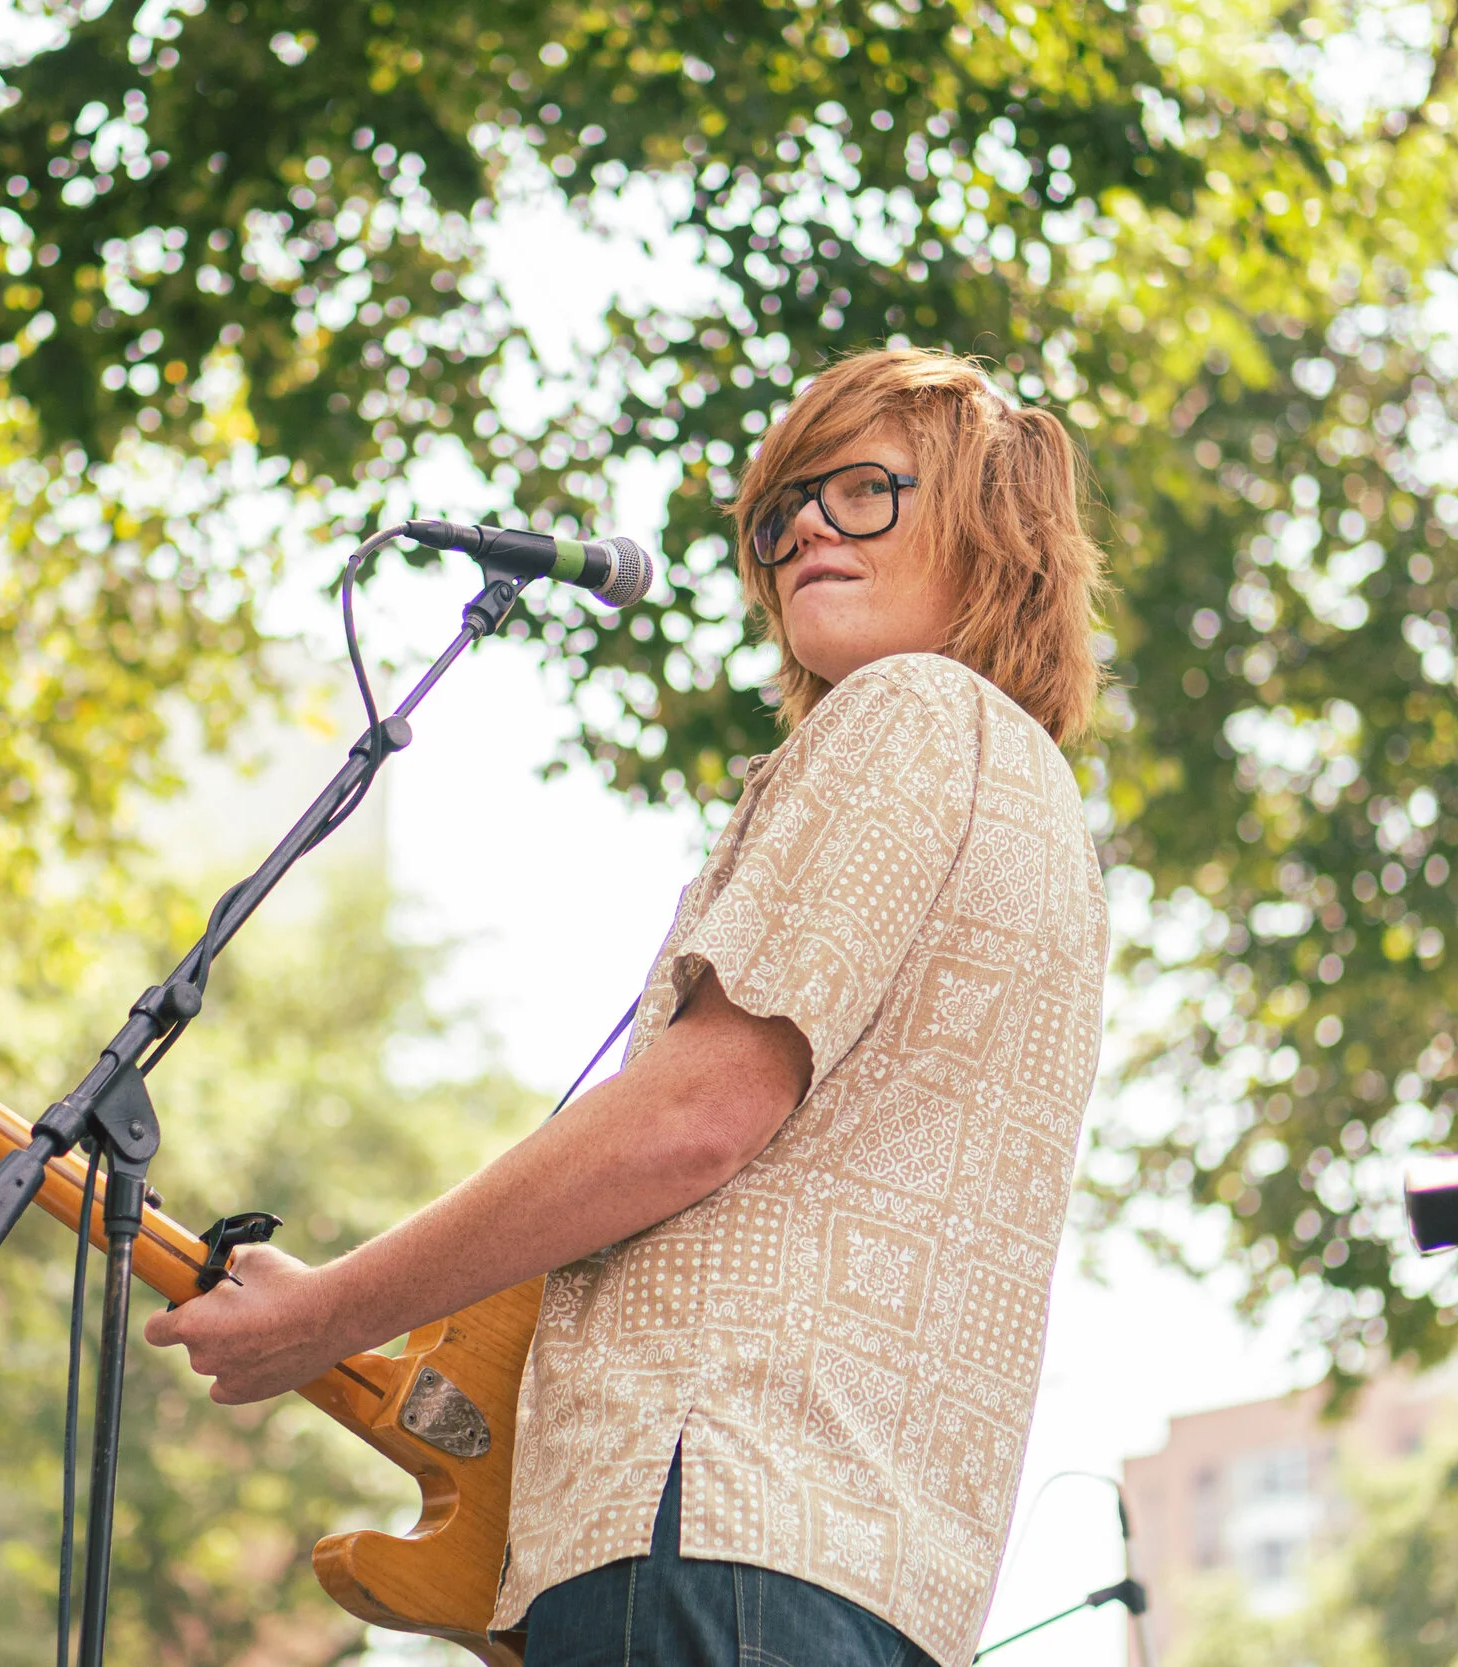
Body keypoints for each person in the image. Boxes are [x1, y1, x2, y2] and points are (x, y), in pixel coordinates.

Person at [145, 346, 1112, 1667]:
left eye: (863, 489)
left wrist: (328, 1312)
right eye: (781, 513)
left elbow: (691, 1119)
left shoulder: (910, 713)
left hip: (717, 1522)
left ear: (991, 528)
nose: (804, 530)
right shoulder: (1036, 806)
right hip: (869, 1578)